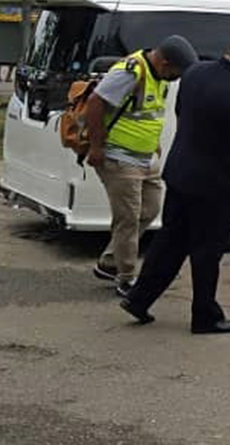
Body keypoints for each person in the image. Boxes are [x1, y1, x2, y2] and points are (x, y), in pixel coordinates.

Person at [120, 28, 230, 334]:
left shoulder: (195, 73)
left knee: (170, 242)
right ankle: (205, 315)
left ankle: (139, 298)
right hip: (213, 184)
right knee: (207, 251)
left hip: (179, 173)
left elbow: (181, 114)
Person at [85, 35, 199, 296]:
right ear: (164, 62)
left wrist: (154, 143)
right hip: (119, 157)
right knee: (127, 219)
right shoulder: (131, 72)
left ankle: (110, 262)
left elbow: (148, 113)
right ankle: (126, 278)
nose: (176, 78)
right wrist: (96, 147)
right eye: (175, 72)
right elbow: (95, 103)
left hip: (146, 158)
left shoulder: (159, 78)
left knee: (150, 209)